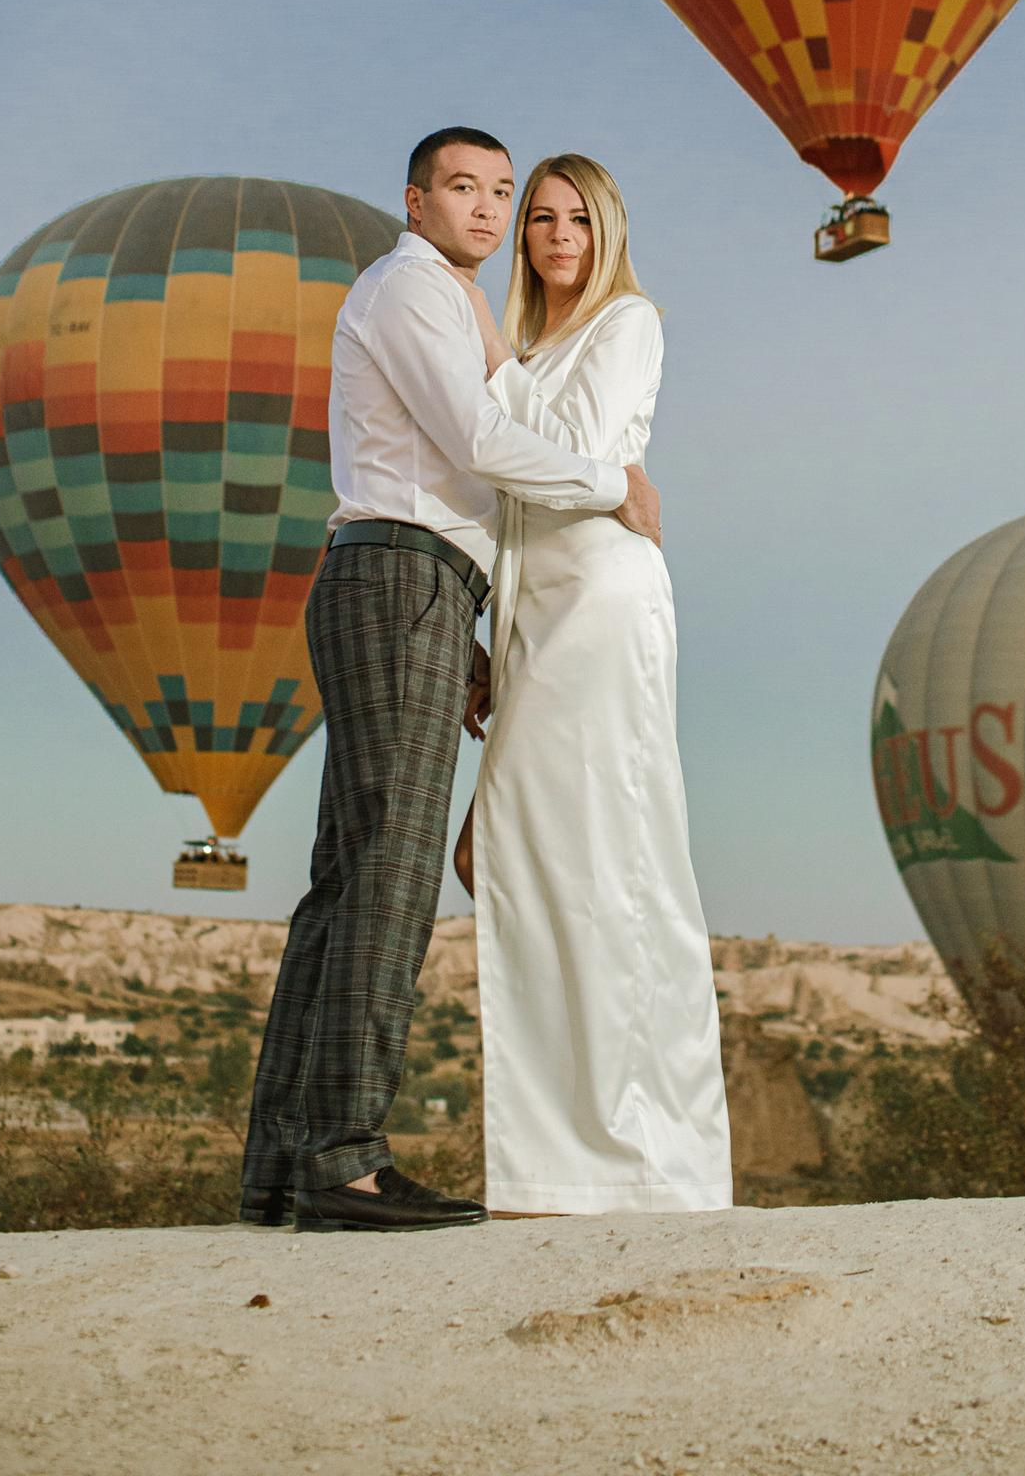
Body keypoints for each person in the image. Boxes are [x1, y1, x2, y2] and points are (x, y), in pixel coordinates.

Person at [239, 129, 662, 1233]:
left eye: (501, 192)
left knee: (348, 876)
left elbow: (444, 479)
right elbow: (475, 439)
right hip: (398, 576)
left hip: (409, 581)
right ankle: (342, 1158)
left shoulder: (443, 299)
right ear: (415, 200)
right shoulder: (415, 288)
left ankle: (284, 1162)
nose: (487, 209)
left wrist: (462, 624)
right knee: (392, 870)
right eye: (464, 188)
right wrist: (611, 483)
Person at [455, 153, 732, 1216]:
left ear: (607, 228)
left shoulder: (627, 322)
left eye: (577, 216)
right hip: (537, 614)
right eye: (539, 217)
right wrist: (488, 633)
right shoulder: (534, 347)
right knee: (516, 855)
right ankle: (570, 1153)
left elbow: (567, 451)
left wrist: (492, 368)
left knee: (606, 858)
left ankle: (636, 1155)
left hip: (604, 607)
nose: (558, 234)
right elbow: (526, 483)